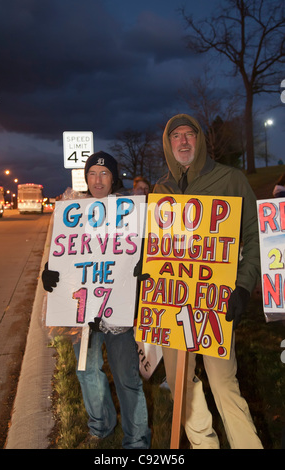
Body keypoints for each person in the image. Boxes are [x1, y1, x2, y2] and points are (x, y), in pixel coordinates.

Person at [153, 114, 263, 449]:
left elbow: (253, 235)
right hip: (174, 304)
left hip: (215, 303)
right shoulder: (161, 190)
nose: (183, 141)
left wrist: (243, 286)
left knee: (223, 384)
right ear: (168, 144)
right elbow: (156, 247)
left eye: (190, 134)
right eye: (176, 136)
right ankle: (203, 443)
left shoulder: (230, 180)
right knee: (179, 383)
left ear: (200, 140)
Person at [42, 151, 151, 449]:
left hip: (118, 308)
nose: (97, 179)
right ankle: (101, 427)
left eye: (104, 173)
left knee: (127, 378)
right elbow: (63, 253)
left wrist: (142, 266)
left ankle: (137, 441)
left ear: (113, 178)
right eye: (92, 173)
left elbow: (140, 252)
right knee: (86, 372)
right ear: (86, 178)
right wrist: (48, 273)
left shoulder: (128, 211)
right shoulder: (73, 210)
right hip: (83, 311)